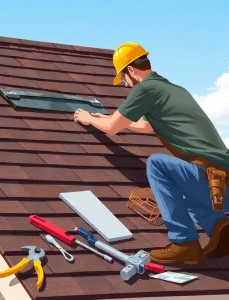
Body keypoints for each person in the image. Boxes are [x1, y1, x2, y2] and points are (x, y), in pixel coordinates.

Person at [73, 42, 229, 265]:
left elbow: (113, 129)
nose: (126, 85)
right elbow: (145, 126)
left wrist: (89, 119)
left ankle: (184, 243)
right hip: (222, 185)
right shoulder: (173, 90)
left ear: (132, 71)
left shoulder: (145, 89)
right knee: (182, 183)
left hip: (211, 182)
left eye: (124, 79)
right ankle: (219, 228)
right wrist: (103, 118)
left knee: (158, 164)